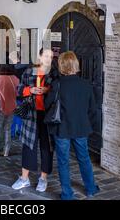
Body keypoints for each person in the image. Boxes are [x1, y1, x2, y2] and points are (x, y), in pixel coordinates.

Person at [44, 51, 100, 200]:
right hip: (81, 127)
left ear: (61, 65)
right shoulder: (85, 84)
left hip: (62, 129)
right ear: (76, 64)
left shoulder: (57, 84)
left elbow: (47, 104)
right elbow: (92, 109)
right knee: (84, 158)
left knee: (63, 161)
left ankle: (67, 194)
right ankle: (90, 189)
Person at [11, 48, 58, 192]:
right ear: (39, 56)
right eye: (45, 55)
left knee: (47, 147)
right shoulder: (28, 72)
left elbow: (58, 93)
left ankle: (43, 178)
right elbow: (18, 91)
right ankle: (24, 178)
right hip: (31, 115)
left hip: (48, 116)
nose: (48, 59)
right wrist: (29, 90)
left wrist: (47, 90)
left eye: (51, 56)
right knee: (28, 146)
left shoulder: (55, 74)